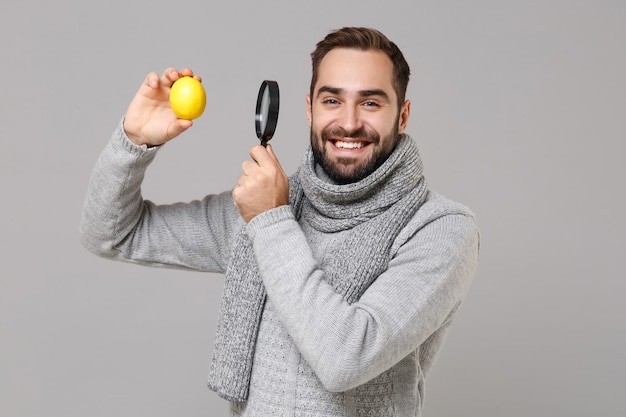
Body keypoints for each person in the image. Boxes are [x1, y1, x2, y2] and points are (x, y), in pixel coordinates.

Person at [80, 27, 480, 417]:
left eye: (371, 103)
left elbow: (346, 360)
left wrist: (271, 221)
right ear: (310, 109)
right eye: (332, 101)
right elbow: (112, 234)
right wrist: (134, 142)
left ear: (403, 114)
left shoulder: (440, 228)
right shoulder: (264, 207)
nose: (350, 122)